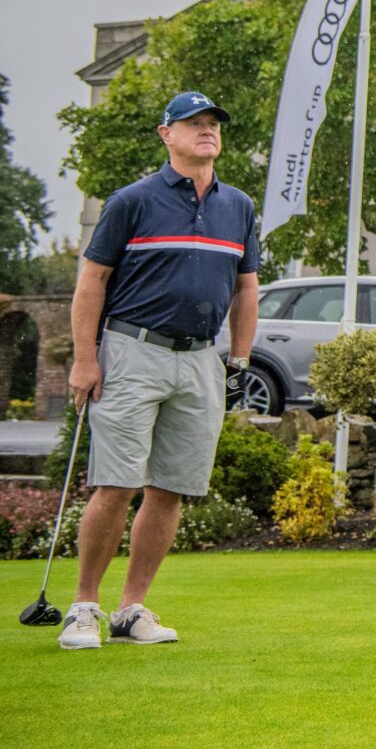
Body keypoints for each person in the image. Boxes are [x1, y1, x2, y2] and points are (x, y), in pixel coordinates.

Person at [61, 91, 259, 650]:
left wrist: (239, 360)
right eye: (193, 123)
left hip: (201, 358)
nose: (207, 131)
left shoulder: (238, 207)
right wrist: (83, 358)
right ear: (165, 134)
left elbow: (246, 289)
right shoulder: (132, 201)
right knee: (116, 484)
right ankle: (83, 607)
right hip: (131, 350)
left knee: (170, 488)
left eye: (213, 123)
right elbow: (92, 282)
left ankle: (131, 610)